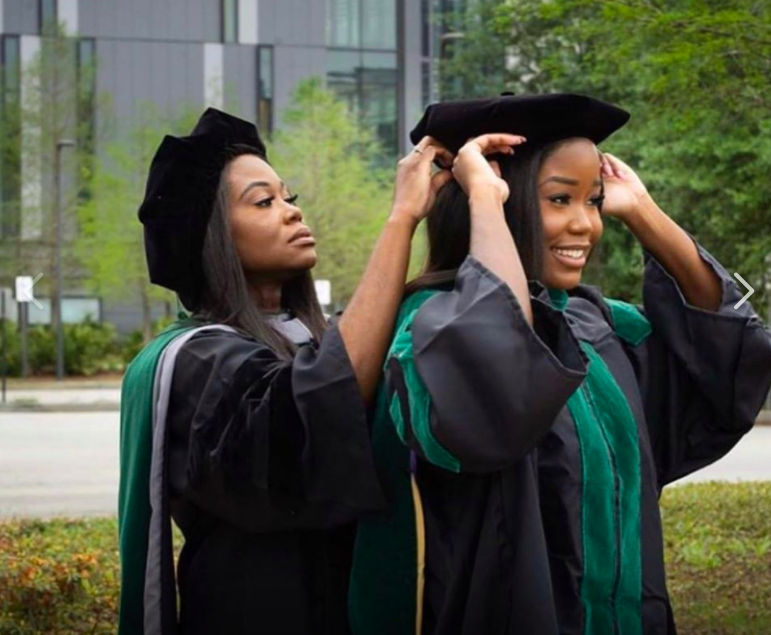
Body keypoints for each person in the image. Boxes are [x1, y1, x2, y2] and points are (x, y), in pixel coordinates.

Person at [349, 93, 771, 635]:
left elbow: (730, 363)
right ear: (499, 201)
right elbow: (498, 381)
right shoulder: (429, 329)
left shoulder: (599, 324)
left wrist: (643, 211)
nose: (586, 226)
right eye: (559, 199)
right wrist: (483, 197)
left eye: (591, 201)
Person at [117, 107, 452, 635]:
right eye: (264, 202)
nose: (292, 212)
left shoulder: (308, 339)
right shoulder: (195, 360)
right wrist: (400, 220)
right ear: (211, 236)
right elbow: (316, 409)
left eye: (289, 197)